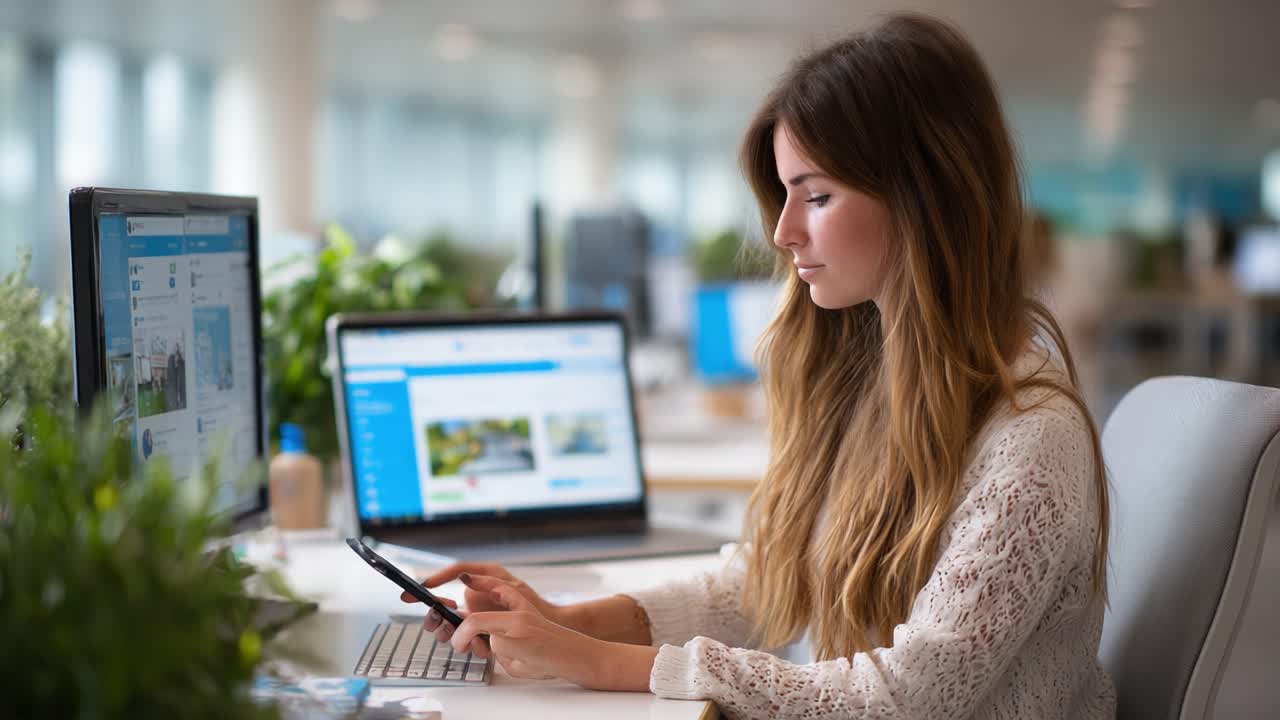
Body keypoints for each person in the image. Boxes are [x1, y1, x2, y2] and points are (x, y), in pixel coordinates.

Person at [401, 13, 1115, 718]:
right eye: (784, 195)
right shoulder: (868, 383)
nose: (782, 231)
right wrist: (564, 622)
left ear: (925, 198)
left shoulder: (1031, 437)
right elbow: (764, 580)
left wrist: (598, 663)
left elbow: (907, 699)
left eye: (818, 195)